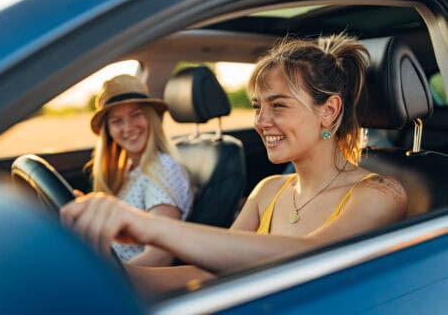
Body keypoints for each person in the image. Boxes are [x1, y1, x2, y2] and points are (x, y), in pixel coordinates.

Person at [61, 34, 408, 296]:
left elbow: (309, 257)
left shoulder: (380, 194)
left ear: (329, 111)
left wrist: (148, 227)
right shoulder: (268, 190)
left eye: (278, 105)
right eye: (258, 106)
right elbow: (208, 273)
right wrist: (109, 273)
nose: (261, 121)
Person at [82, 74, 192, 267]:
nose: (128, 127)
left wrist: (107, 282)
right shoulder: (127, 170)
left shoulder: (162, 169)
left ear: (150, 118)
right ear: (108, 130)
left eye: (136, 115)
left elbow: (159, 256)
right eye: (116, 121)